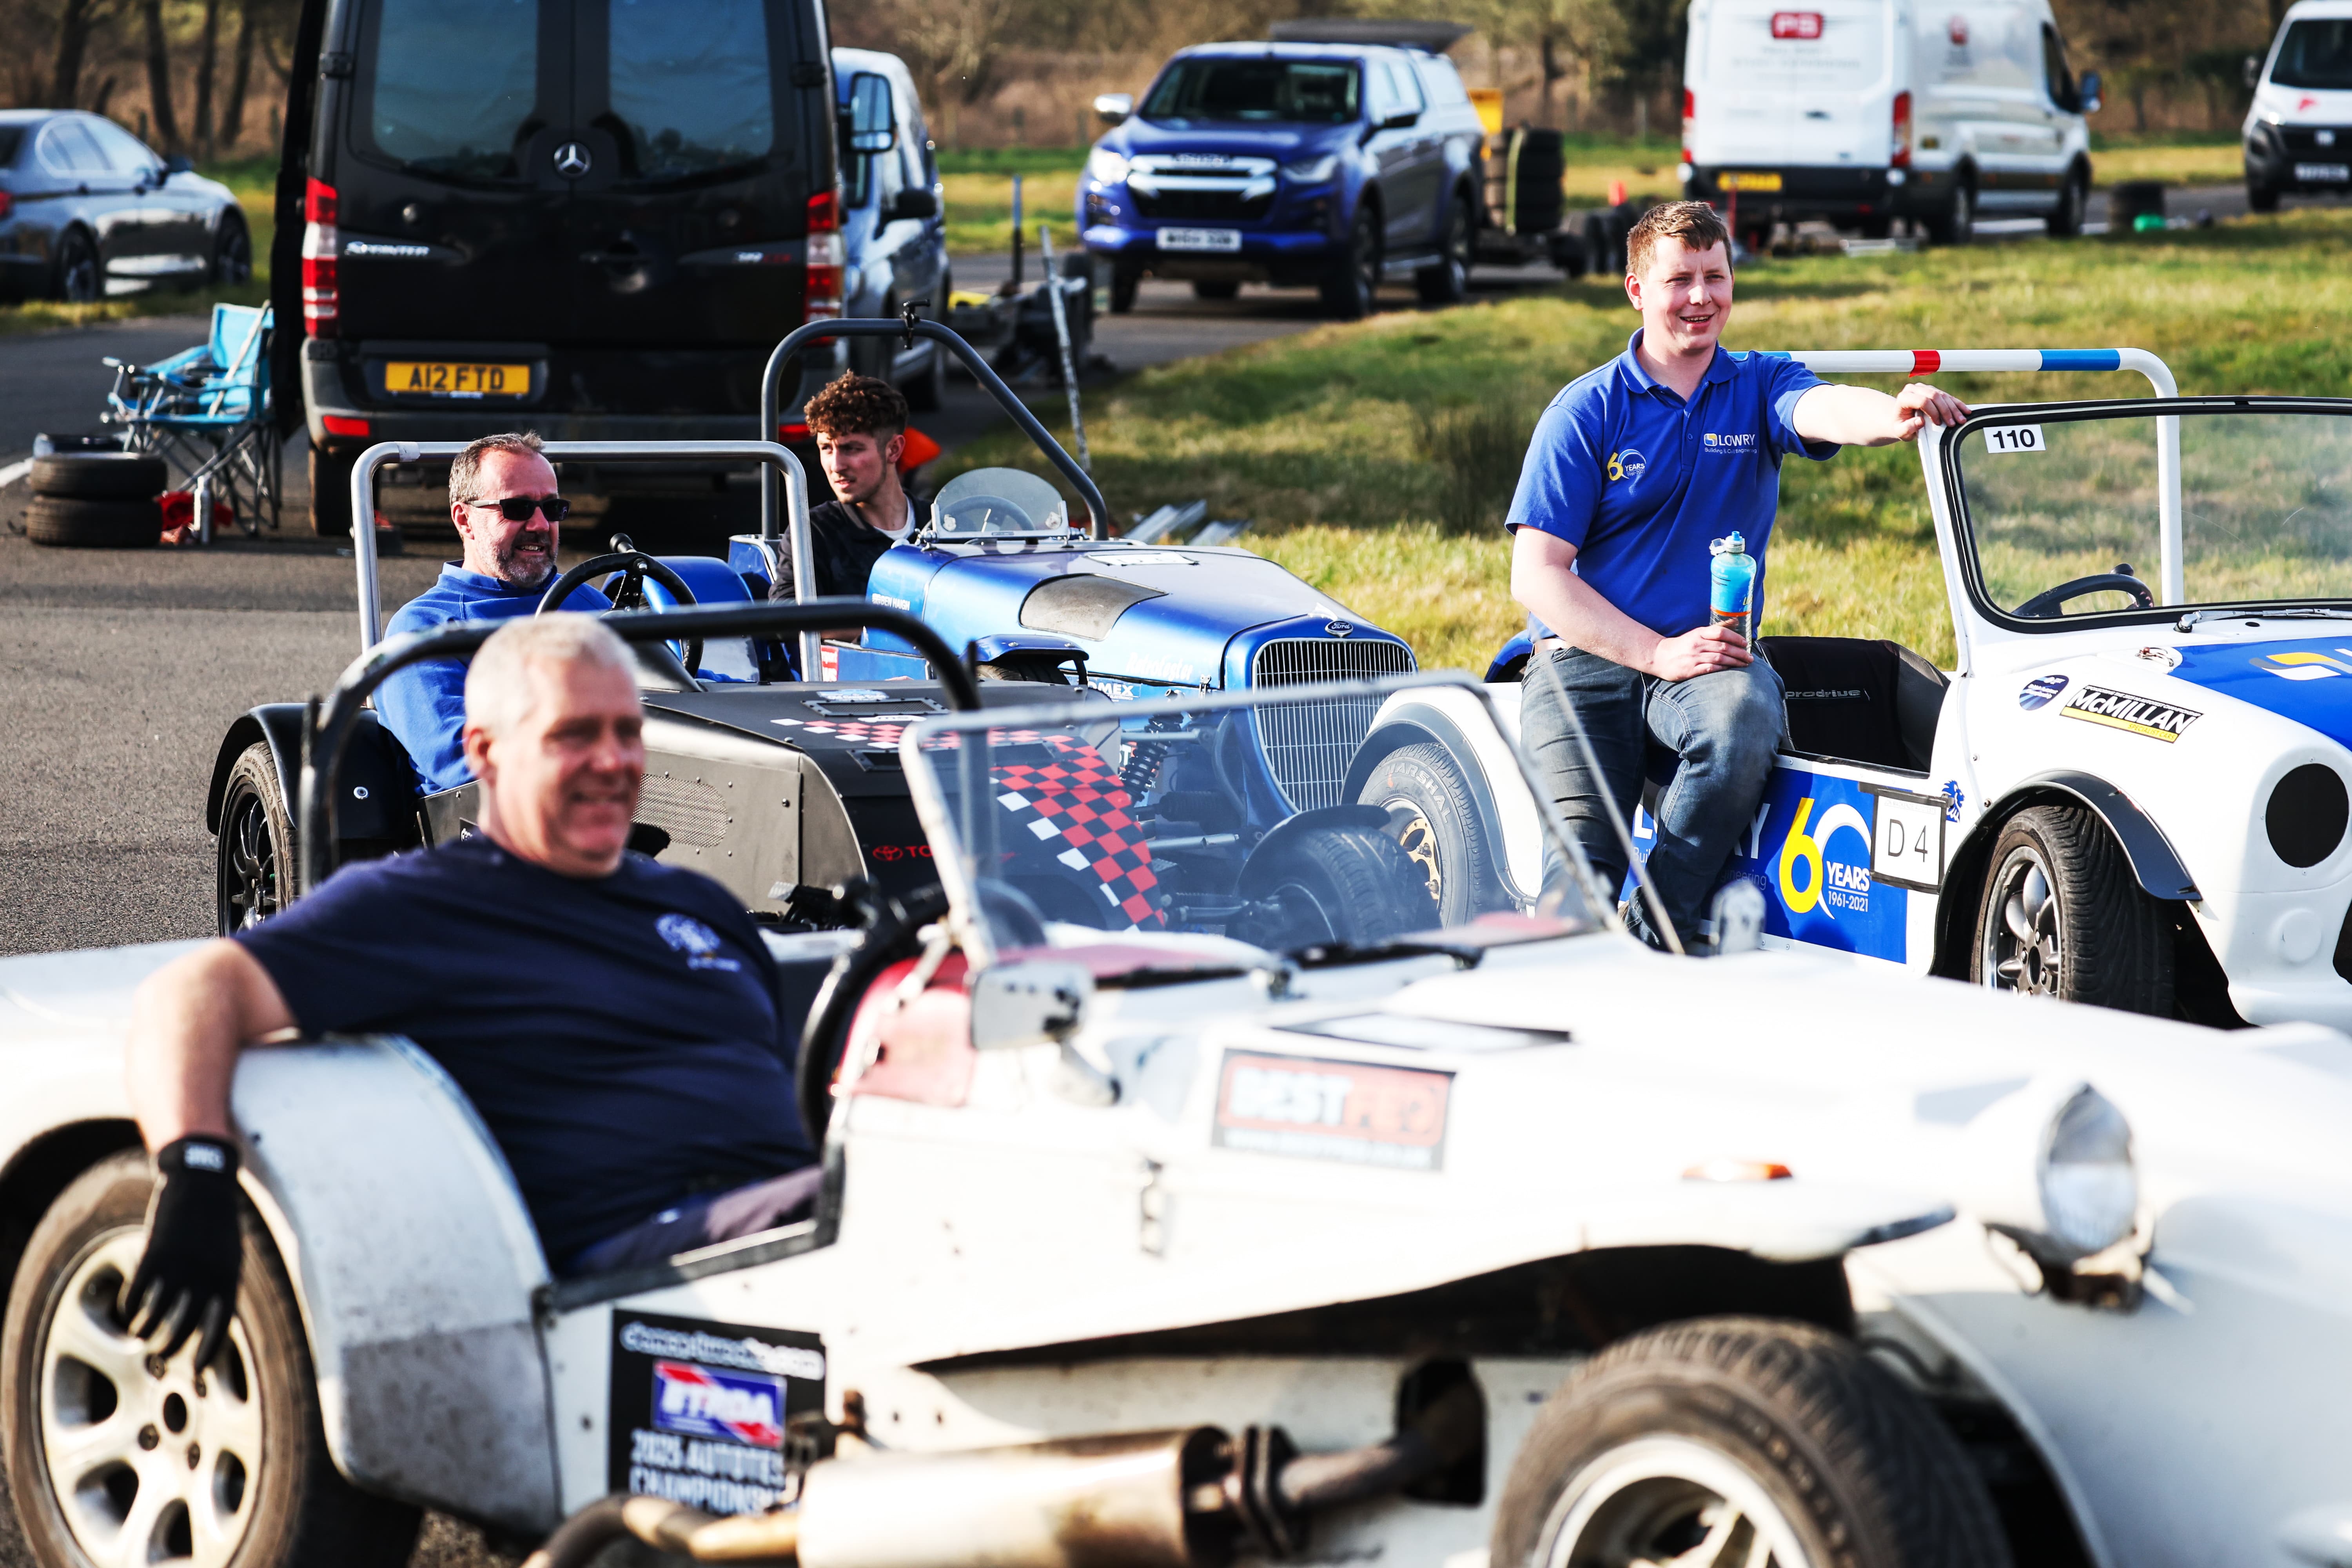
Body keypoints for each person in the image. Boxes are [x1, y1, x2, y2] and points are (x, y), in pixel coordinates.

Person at [118, 617, 820, 1367]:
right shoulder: (426, 906)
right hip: (644, 1282)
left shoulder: (702, 905)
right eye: (575, 736)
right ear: (486, 751)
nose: (615, 762)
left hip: (807, 1233)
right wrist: (195, 1171)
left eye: (628, 732)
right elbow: (190, 993)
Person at [1506, 200, 1970, 951]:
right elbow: (1538, 577)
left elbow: (1821, 405)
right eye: (1679, 279)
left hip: (1709, 660)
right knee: (1575, 893)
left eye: (1715, 277)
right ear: (1636, 290)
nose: (1700, 297)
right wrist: (1655, 654)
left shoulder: (1758, 384)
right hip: (1584, 663)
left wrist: (1894, 413)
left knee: (1746, 718)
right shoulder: (1585, 410)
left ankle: (1660, 923)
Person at [377, 431, 613, 793]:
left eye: (552, 509)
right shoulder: (422, 629)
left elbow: (680, 682)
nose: (539, 525)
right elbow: (464, 762)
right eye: (516, 509)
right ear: (464, 520)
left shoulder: (585, 601)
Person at [766, 372, 931, 604]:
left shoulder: (940, 524)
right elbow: (785, 613)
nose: (837, 466)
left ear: (893, 450)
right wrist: (885, 622)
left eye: (852, 449)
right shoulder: (815, 531)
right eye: (826, 448)